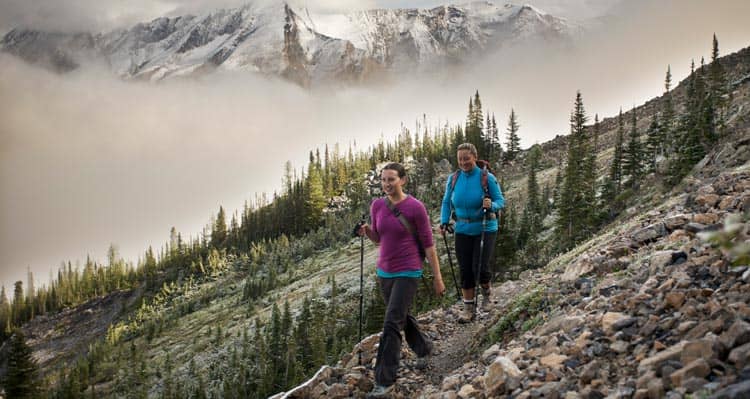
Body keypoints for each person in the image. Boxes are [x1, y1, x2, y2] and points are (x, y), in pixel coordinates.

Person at [358, 162, 446, 398]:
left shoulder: (415, 207)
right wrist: (366, 231)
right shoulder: (377, 205)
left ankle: (384, 381)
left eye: (392, 179)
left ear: (403, 180)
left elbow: (428, 245)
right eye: (384, 180)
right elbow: (378, 238)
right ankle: (425, 348)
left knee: (391, 323)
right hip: (384, 272)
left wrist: (438, 277)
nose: (387, 184)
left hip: (409, 270)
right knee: (400, 317)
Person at [439, 143, 505, 323]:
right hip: (462, 229)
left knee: (480, 267)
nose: (463, 162)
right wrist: (444, 221)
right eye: (460, 159)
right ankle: (468, 308)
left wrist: (492, 205)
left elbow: (500, 200)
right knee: (465, 269)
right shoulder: (453, 178)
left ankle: (487, 294)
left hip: (485, 227)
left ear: (474, 157)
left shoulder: (487, 177)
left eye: (466, 158)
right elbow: (446, 202)